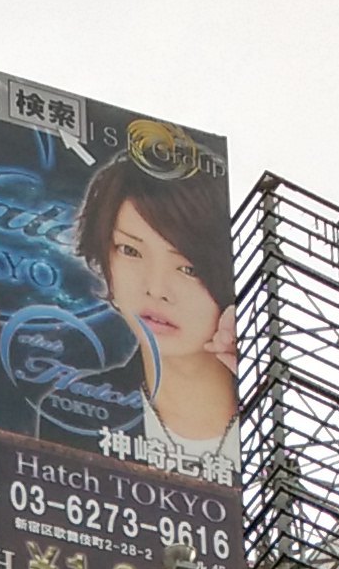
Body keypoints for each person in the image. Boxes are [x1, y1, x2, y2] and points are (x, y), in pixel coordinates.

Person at [74, 150, 240, 480]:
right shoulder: (76, 412)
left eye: (189, 268)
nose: (155, 289)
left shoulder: (275, 429)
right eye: (130, 251)